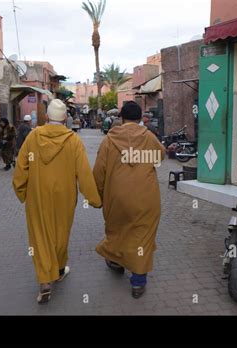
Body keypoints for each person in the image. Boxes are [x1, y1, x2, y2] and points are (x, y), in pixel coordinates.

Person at [13, 99, 101, 304]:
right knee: (61, 234)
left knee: (40, 236)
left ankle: (45, 281)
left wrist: (21, 190)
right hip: (64, 197)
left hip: (37, 196)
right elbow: (84, 173)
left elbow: (21, 166)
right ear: (65, 119)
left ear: (46, 117)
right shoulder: (73, 140)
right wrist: (95, 199)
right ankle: (59, 270)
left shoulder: (33, 137)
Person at [93, 101, 165, 299]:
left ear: (121, 118)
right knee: (142, 236)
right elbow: (160, 157)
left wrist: (98, 197)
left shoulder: (109, 140)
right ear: (141, 118)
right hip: (146, 198)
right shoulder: (149, 138)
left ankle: (116, 262)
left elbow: (99, 172)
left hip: (116, 197)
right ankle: (138, 283)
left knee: (117, 230)